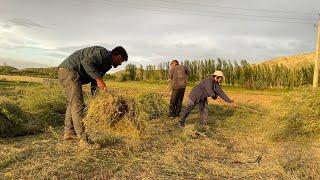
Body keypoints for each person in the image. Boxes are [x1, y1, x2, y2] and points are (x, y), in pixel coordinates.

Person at [58, 46, 128, 147]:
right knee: (78, 106)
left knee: (73, 104)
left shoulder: (106, 65)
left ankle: (69, 132)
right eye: (121, 61)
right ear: (118, 56)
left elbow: (95, 82)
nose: (120, 63)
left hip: (68, 71)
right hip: (70, 70)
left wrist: (99, 99)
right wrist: (100, 80)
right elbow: (86, 63)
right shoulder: (102, 53)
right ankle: (83, 140)